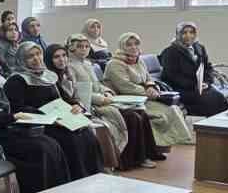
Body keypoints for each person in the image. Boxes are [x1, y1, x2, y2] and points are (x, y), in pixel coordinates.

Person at [0, 54, 70, 193]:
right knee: (39, 148)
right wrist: (12, 117)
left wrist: (18, 117)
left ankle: (55, 190)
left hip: (6, 131)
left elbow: (6, 113)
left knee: (50, 143)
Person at [4, 43, 104, 181]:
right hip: (39, 124)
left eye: (38, 54)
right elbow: (18, 107)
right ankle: (76, 180)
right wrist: (48, 116)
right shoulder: (16, 80)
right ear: (22, 59)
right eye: (30, 56)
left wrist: (76, 106)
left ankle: (94, 177)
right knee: (71, 139)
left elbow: (63, 97)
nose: (36, 59)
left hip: (60, 119)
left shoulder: (48, 76)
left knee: (86, 134)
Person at [68, 34, 161, 169]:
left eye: (87, 46)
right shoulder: (70, 66)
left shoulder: (88, 64)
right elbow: (77, 92)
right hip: (91, 105)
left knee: (141, 113)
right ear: (71, 49)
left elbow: (98, 84)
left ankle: (146, 155)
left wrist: (106, 91)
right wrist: (101, 98)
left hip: (106, 99)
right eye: (80, 47)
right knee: (132, 117)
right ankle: (128, 160)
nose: (84, 49)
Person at [103, 32, 194, 147]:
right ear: (122, 46)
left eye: (136, 44)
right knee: (163, 113)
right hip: (126, 99)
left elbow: (148, 78)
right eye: (129, 45)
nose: (134, 47)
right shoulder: (114, 64)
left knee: (173, 108)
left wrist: (151, 87)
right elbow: (125, 87)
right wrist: (149, 93)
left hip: (142, 96)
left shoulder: (139, 60)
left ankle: (181, 138)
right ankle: (157, 144)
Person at [47, 44, 124, 172]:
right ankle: (97, 169)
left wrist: (79, 106)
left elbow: (76, 96)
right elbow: (59, 100)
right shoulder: (49, 78)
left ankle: (106, 167)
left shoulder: (67, 73)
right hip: (61, 116)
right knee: (95, 129)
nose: (62, 60)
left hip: (79, 110)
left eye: (64, 55)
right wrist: (76, 107)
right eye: (56, 57)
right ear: (49, 60)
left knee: (104, 126)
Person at [159, 22, 228, 117]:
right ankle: (206, 127)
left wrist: (207, 82)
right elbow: (172, 76)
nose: (188, 35)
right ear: (178, 34)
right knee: (208, 100)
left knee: (218, 96)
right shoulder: (170, 52)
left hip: (200, 86)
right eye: (184, 32)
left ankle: (223, 125)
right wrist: (195, 85)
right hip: (180, 89)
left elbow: (207, 68)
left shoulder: (199, 48)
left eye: (191, 32)